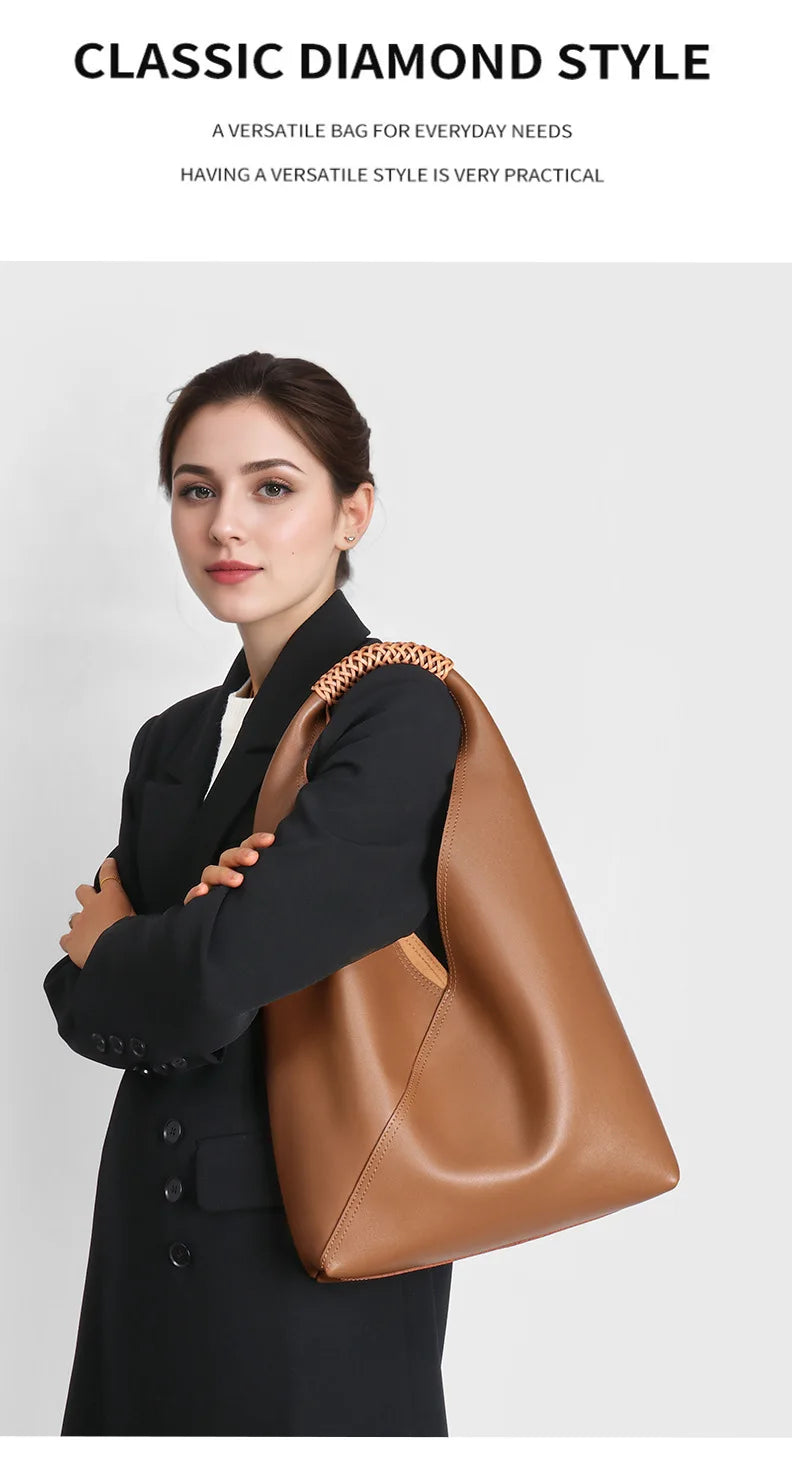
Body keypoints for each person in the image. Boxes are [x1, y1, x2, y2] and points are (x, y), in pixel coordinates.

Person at [43, 351, 463, 1436]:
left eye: (272, 487)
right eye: (196, 489)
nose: (226, 524)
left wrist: (134, 942)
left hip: (307, 1262)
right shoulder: (172, 739)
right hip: (141, 1253)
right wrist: (176, 945)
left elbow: (213, 977)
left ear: (352, 512)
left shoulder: (399, 710)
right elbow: (78, 1002)